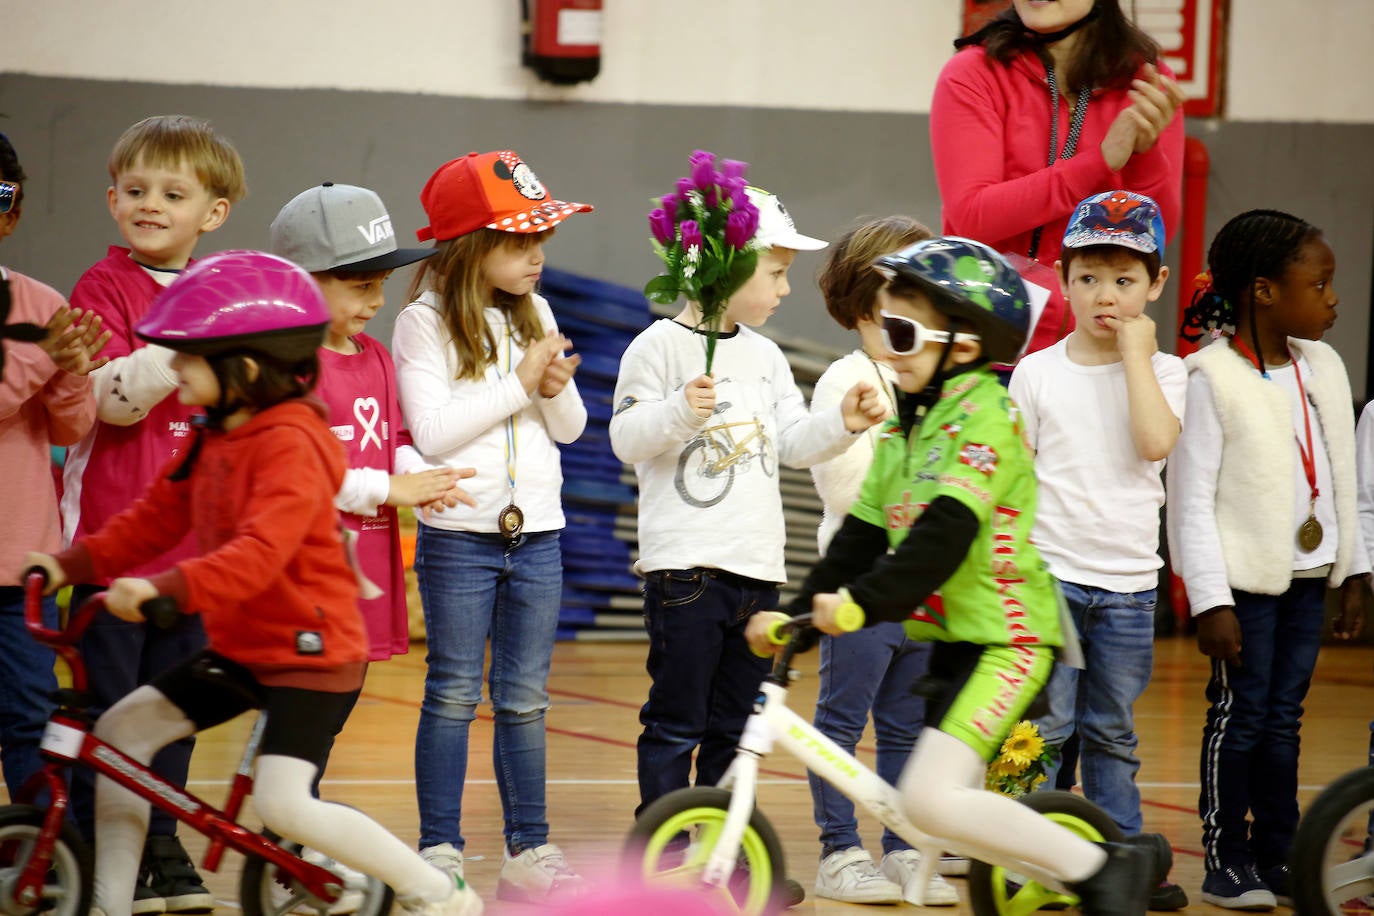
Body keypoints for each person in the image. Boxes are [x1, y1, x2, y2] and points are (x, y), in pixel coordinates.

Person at [24, 250, 483, 916]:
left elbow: (261, 553)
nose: (173, 368)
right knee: (122, 734)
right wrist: (70, 565)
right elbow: (154, 518)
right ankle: (108, 903)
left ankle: (437, 893)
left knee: (283, 802)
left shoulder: (294, 443)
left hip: (312, 653)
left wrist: (166, 591)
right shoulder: (216, 432)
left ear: (241, 369)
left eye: (187, 358)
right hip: (245, 647)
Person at [746, 235, 1171, 916]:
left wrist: (860, 604)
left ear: (963, 347)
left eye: (903, 332)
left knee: (929, 799)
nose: (887, 348)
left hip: (1009, 642)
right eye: (885, 329)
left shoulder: (985, 419)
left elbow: (942, 537)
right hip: (956, 643)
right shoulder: (906, 431)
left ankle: (1106, 865)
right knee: (942, 808)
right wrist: (796, 611)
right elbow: (858, 536)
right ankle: (1054, 862)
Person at [612, 156, 887, 907]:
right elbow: (626, 440)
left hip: (757, 573)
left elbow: (794, 444)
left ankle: (725, 858)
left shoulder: (765, 358)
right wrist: (678, 412)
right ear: (726, 263)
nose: (786, 286)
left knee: (736, 728)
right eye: (775, 269)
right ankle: (660, 857)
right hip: (686, 572)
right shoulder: (659, 348)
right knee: (676, 722)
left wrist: (842, 424)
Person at [392, 150, 590, 904]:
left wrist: (553, 387)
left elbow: (568, 430)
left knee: (525, 698)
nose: (537, 256)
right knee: (450, 693)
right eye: (518, 241)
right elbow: (434, 432)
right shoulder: (423, 320)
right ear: (472, 245)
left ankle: (529, 849)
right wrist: (518, 383)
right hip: (461, 542)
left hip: (539, 534)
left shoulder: (535, 310)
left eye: (541, 239)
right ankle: (439, 847)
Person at [59, 114, 245, 915]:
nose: (150, 204)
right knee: (105, 711)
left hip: (192, 553)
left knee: (172, 714)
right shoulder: (101, 289)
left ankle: (162, 846)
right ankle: (95, 853)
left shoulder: (228, 292)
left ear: (214, 212)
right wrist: (188, 342)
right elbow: (109, 401)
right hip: (110, 545)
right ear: (111, 199)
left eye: (173, 193)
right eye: (136, 190)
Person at [1168, 209, 1369, 910]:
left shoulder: (1324, 366)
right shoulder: (1210, 378)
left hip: (1309, 578)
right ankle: (1226, 859)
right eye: (1319, 284)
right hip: (1244, 590)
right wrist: (1210, 600)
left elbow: (1342, 476)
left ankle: (1279, 853)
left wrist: (1353, 571)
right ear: (1262, 290)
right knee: (1241, 718)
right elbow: (1189, 503)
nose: (1333, 299)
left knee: (1285, 719)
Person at [1010, 190, 1188, 911]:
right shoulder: (1037, 372)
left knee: (1111, 732)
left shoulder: (1167, 371)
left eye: (1124, 280)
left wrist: (1138, 355)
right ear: (1063, 279)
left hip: (1127, 587)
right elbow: (1015, 484)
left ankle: (1121, 862)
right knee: (1042, 730)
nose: (1105, 296)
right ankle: (1029, 858)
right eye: (1088, 278)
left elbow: (1154, 443)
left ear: (1156, 284)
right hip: (1049, 576)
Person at [804, 215, 958, 907]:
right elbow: (845, 489)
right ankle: (839, 852)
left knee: (906, 726)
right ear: (871, 302)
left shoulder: (933, 377)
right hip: (862, 591)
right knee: (841, 722)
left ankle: (901, 847)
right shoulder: (847, 376)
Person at [269, 181, 472, 665]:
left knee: (340, 696)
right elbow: (300, 478)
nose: (379, 300)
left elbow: (392, 436)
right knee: (304, 704)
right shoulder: (285, 367)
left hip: (368, 558)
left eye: (381, 283)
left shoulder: (377, 355)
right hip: (308, 564)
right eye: (362, 286)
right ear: (300, 281)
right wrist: (389, 489)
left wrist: (420, 477)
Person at [932, 0, 1186, 355]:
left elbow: (1156, 237)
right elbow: (973, 216)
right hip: (983, 340)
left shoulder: (1144, 80)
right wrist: (1099, 162)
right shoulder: (974, 71)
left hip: (1094, 345)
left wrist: (1144, 156)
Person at [0, 131, 109, 803]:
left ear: (12, 213)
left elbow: (71, 426)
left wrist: (72, 372)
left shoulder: (42, 305)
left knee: (29, 718)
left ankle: (42, 863)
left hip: (21, 568)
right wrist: (42, 360)